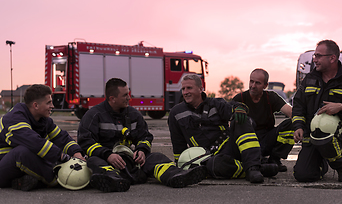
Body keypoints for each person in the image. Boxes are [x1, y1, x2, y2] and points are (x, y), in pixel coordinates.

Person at [77, 78, 206, 192]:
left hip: (131, 160)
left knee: (156, 157)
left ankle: (177, 176)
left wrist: (141, 150)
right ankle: (113, 180)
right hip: (107, 160)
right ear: (112, 99)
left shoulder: (133, 114)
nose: (129, 98)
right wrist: (108, 155)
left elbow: (145, 136)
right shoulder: (93, 115)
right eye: (125, 95)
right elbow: (85, 142)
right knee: (94, 161)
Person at [168, 74, 278, 184]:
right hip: (209, 157)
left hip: (230, 147)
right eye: (183, 89)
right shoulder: (176, 113)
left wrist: (240, 108)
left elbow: (234, 106)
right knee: (215, 166)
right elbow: (178, 143)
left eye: (189, 88)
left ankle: (254, 167)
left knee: (240, 119)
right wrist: (179, 165)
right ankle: (257, 169)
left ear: (201, 89)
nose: (185, 92)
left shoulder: (216, 103)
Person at [292, 40, 342, 182]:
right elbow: (298, 106)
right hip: (312, 134)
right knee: (303, 175)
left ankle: (341, 166)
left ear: (332, 58)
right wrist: (298, 127)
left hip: (341, 132)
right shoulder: (309, 80)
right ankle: (321, 163)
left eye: (318, 56)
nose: (314, 60)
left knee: (325, 139)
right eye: (314, 56)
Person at [0, 84, 85, 191]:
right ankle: (59, 180)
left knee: (43, 155)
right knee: (22, 152)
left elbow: (62, 138)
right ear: (36, 105)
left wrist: (76, 153)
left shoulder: (43, 120)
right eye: (48, 102)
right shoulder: (14, 118)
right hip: (3, 165)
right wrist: (63, 157)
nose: (52, 106)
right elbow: (34, 142)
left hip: (24, 166)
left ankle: (24, 181)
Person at [232, 69, 294, 172]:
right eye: (251, 81)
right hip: (247, 142)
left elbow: (290, 112)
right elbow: (227, 121)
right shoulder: (240, 98)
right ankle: (253, 161)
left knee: (291, 124)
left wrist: (303, 122)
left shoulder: (271, 97)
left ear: (265, 85)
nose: (253, 85)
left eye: (258, 83)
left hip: (266, 140)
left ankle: (274, 160)